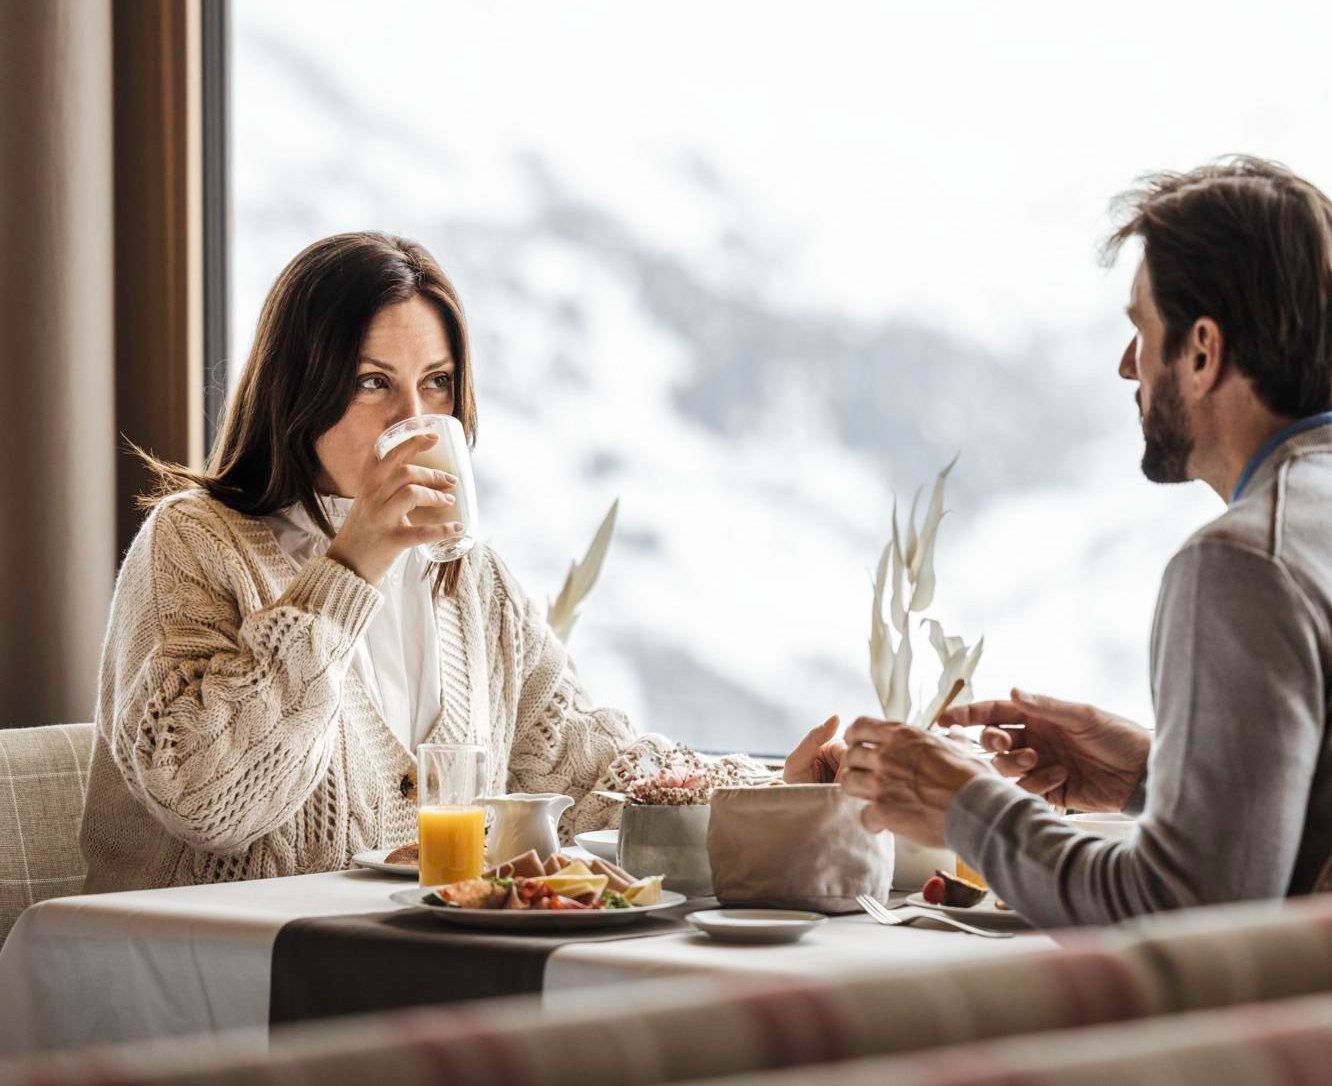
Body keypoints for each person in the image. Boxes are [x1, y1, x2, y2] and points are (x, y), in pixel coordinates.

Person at [840, 156, 1332, 928]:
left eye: (1140, 331)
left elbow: (1180, 923)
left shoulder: (1247, 561)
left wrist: (965, 805)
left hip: (1318, 1044)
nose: (1128, 366)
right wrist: (1161, 775)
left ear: (1200, 349)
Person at [79, 232, 840, 892]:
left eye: (436, 383)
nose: (413, 418)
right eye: (372, 382)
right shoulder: (195, 541)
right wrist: (350, 567)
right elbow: (208, 799)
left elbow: (592, 771)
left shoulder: (471, 580)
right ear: (298, 389)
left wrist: (771, 790)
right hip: (209, 988)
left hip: (406, 981)